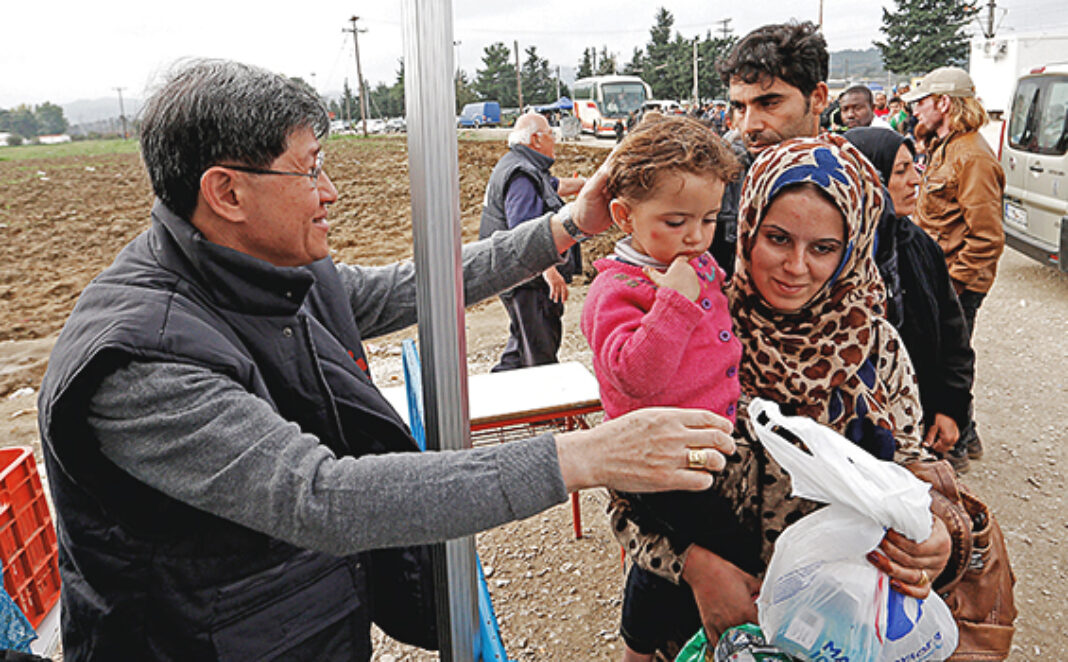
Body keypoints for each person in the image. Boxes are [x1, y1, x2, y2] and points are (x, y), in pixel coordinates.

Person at [36, 59, 738, 661]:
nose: (331, 190)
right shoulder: (141, 357)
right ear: (227, 192)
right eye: (310, 169)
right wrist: (579, 458)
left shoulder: (263, 270)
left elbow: (416, 286)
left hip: (299, 624)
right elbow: (320, 497)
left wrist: (565, 227)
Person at [609, 137, 953, 657]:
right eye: (777, 238)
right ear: (746, 229)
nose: (796, 266)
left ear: (852, 249)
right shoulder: (688, 321)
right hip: (695, 618)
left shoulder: (875, 346)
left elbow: (911, 468)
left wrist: (939, 535)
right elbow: (621, 483)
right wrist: (696, 566)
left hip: (832, 628)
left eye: (823, 248)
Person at [579, 117, 743, 662]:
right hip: (657, 460)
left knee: (701, 556)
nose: (696, 236)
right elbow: (634, 374)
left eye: (709, 219)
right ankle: (639, 648)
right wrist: (673, 301)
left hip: (702, 447)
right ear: (624, 216)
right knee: (667, 563)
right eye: (676, 221)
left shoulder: (692, 262)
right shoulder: (617, 288)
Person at [845, 127, 977, 461]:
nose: (915, 181)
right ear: (868, 180)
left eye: (913, 167)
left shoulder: (920, 246)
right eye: (900, 171)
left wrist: (949, 407)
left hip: (919, 423)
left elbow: (953, 336)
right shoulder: (837, 254)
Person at [904, 66, 1005, 469]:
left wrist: (954, 288)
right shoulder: (948, 146)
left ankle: (956, 447)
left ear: (944, 103)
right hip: (942, 277)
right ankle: (969, 433)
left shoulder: (973, 157)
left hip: (957, 282)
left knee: (947, 359)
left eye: (923, 103)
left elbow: (987, 238)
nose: (916, 111)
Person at [709, 21, 830, 278]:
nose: (750, 125)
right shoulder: (716, 177)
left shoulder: (858, 181)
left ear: (818, 98)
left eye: (769, 103)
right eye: (740, 107)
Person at [478, 112, 585, 372]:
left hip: (515, 277)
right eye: (552, 134)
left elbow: (553, 186)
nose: (555, 140)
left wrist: (587, 184)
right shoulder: (521, 175)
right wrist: (549, 271)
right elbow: (522, 231)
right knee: (540, 352)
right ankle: (548, 410)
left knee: (521, 347)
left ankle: (498, 401)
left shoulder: (521, 165)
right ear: (536, 139)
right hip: (529, 281)